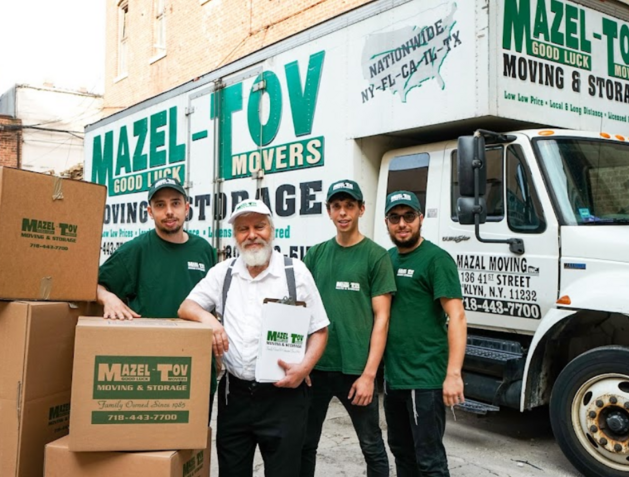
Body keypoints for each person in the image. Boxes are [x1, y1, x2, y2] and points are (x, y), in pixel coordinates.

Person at [179, 199, 329, 477]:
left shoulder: (295, 273)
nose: (251, 235)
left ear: (272, 230)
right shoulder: (223, 273)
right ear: (235, 236)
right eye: (243, 229)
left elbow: (319, 329)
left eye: (259, 226)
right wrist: (210, 321)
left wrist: (304, 368)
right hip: (234, 396)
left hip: (284, 397)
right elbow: (187, 306)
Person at [300, 179, 395, 477]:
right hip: (316, 368)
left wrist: (369, 376)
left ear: (361, 209)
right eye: (337, 206)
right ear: (328, 211)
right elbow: (300, 311)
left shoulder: (375, 256)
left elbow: (382, 319)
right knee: (305, 444)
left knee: (371, 445)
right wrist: (302, 363)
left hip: (356, 371)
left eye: (349, 206)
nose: (343, 213)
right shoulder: (315, 254)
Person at [96, 176, 219, 404]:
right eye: (160, 205)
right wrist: (107, 297)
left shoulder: (204, 250)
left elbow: (214, 303)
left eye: (175, 203)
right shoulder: (136, 250)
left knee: (198, 426)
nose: (169, 211)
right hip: (151, 369)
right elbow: (94, 283)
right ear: (150, 212)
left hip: (197, 364)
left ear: (186, 208)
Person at [383, 190, 467, 477]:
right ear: (386, 222)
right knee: (401, 451)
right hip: (394, 377)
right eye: (395, 217)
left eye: (409, 216)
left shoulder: (436, 259)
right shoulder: (387, 259)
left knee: (429, 459)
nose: (402, 224)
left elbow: (457, 316)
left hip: (424, 378)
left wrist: (453, 374)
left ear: (420, 218)